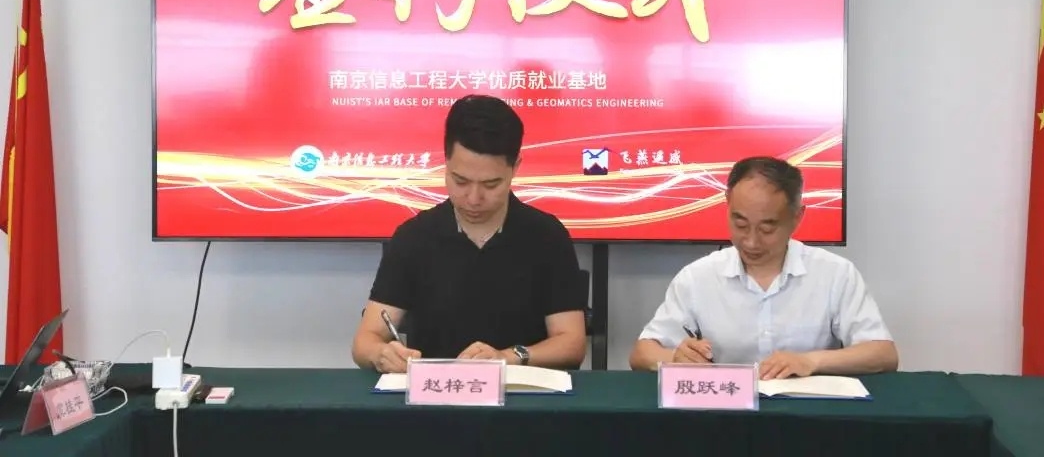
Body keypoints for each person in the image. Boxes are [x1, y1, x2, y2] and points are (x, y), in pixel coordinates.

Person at [351, 94, 587, 373]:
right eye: (460, 181)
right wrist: (381, 353)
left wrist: (509, 357)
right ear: (446, 162)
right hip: (435, 392)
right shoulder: (414, 237)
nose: (473, 199)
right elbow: (365, 341)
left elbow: (571, 344)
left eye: (491, 184)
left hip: (520, 393)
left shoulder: (546, 236)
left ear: (515, 168)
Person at [629, 156, 898, 378]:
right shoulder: (697, 277)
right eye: (740, 224)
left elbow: (883, 354)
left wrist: (810, 361)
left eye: (767, 228)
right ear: (727, 204)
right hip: (725, 414)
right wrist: (675, 358)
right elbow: (642, 353)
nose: (751, 241)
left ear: (797, 217)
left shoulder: (835, 273)